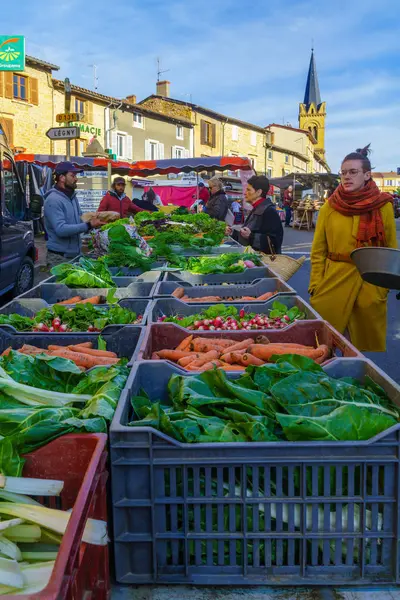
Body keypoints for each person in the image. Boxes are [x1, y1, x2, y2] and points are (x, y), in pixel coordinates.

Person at [309, 145, 397, 352]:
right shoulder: (329, 207)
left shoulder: (383, 206)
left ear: (367, 175)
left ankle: (352, 381)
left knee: (358, 350)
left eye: (353, 172)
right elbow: (318, 251)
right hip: (334, 280)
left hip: (369, 283)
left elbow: (391, 249)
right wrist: (315, 285)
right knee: (325, 346)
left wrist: (381, 290)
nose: (347, 177)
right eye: (344, 173)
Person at [44, 161, 103, 266]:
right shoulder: (53, 200)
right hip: (59, 258)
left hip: (75, 256)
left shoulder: (72, 197)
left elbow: (79, 220)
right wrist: (88, 225)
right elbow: (61, 230)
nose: (76, 179)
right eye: (72, 175)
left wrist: (93, 221)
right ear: (62, 177)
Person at [229, 175, 283, 253]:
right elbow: (247, 233)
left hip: (263, 261)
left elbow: (275, 242)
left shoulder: (269, 211)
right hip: (252, 257)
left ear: (258, 192)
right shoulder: (256, 208)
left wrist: (250, 236)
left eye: (248, 190)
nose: (245, 193)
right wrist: (233, 231)